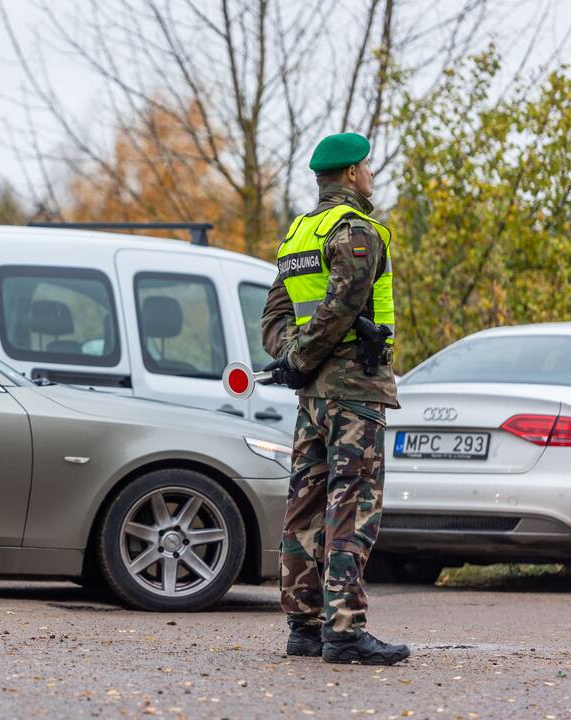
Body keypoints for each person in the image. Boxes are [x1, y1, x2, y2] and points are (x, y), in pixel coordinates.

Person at [259, 132, 409, 666]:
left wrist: (296, 357)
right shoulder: (356, 232)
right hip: (353, 393)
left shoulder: (299, 234)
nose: (370, 174)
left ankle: (304, 625)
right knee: (352, 506)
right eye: (367, 166)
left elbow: (274, 317)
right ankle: (343, 631)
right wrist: (304, 358)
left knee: (305, 506)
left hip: (314, 400)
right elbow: (344, 305)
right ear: (349, 174)